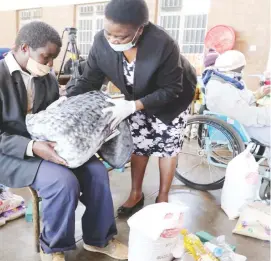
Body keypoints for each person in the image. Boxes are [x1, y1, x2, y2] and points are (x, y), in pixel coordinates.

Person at [0, 21, 127, 261]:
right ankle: (53, 247)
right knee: (62, 182)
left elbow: (54, 118)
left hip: (48, 144)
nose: (49, 66)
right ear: (25, 47)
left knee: (97, 173)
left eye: (52, 60)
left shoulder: (45, 79)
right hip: (11, 153)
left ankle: (99, 239)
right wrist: (32, 147)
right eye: (45, 58)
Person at [67, 0, 197, 216]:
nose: (113, 39)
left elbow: (172, 88)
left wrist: (132, 106)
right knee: (139, 146)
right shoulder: (101, 42)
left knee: (167, 146)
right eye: (109, 33)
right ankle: (136, 193)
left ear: (140, 28)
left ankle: (163, 197)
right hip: (134, 99)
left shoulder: (162, 43)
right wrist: (67, 99)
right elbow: (90, 81)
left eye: (121, 36)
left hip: (172, 99)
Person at [204, 50, 271, 147]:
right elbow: (246, 115)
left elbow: (243, 100)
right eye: (239, 69)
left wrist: (258, 94)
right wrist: (267, 115)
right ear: (231, 70)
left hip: (241, 122)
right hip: (239, 126)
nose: (241, 72)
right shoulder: (220, 88)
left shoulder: (230, 81)